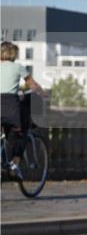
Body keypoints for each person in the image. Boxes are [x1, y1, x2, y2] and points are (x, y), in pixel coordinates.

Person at [1, 41, 45, 178]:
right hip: (10, 108)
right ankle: (15, 163)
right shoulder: (18, 67)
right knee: (22, 133)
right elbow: (33, 85)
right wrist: (44, 94)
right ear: (13, 54)